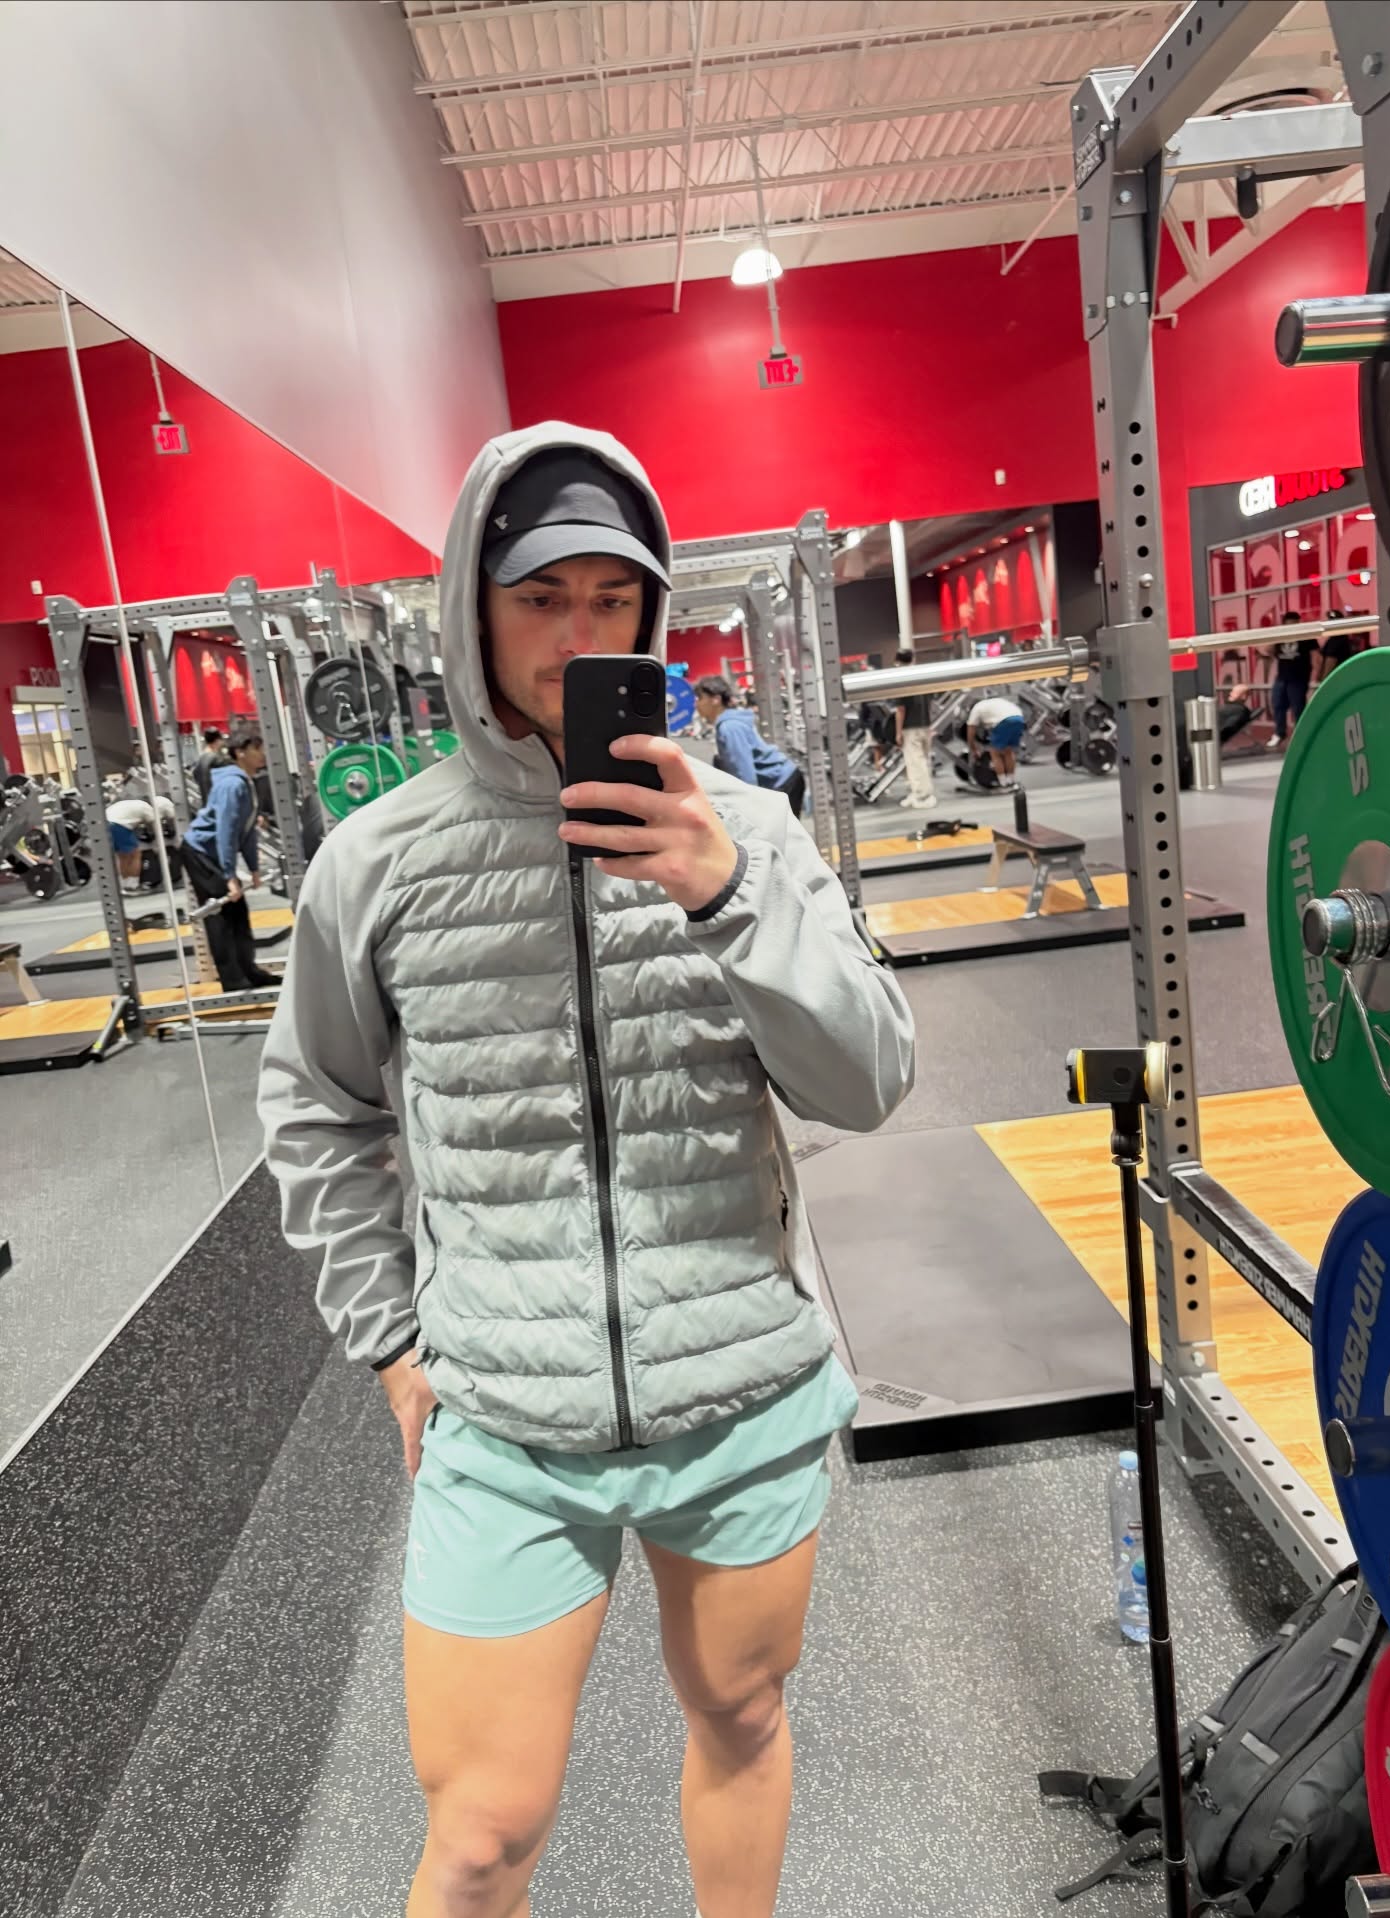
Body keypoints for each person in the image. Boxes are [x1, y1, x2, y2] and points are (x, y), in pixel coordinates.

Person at [257, 426, 915, 1918]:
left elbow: (868, 1079)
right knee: (481, 1836)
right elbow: (315, 1106)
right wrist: (391, 1339)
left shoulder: (749, 831)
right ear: (472, 612)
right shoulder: (379, 861)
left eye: (613, 600)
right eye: (541, 598)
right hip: (505, 1409)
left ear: (653, 614)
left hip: (735, 1380)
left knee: (741, 1715)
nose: (578, 636)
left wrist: (727, 894)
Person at [178, 729, 280, 991]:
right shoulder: (232, 784)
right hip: (201, 852)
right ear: (240, 752)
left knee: (238, 913)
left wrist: (254, 868)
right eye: (256, 749)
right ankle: (233, 980)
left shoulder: (246, 782)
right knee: (220, 916)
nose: (262, 754)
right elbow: (226, 831)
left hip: (214, 853)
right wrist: (229, 875)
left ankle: (249, 970)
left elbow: (245, 831)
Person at [694, 673, 806, 818]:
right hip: (784, 779)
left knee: (780, 831)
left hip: (782, 782)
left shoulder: (730, 727)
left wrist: (749, 810)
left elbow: (744, 773)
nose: (696, 704)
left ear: (715, 699)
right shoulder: (729, 722)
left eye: (700, 698)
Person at [105, 792, 177, 894]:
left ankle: (125, 885)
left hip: (107, 823)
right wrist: (155, 834)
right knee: (135, 855)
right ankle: (133, 886)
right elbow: (153, 826)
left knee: (123, 857)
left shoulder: (136, 803)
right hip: (119, 826)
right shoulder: (147, 809)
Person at [1267, 611, 1318, 749]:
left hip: (1299, 677)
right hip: (1282, 677)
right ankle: (1279, 732)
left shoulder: (1305, 636)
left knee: (1298, 707)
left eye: (1295, 623)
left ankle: (1300, 734)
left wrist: (1316, 675)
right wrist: (1276, 635)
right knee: (1277, 703)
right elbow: (1269, 650)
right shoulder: (1281, 636)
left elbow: (1315, 655)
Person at [892, 650, 936, 810]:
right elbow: (930, 703)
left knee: (915, 763)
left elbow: (900, 709)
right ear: (913, 659)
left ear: (897, 661)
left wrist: (898, 732)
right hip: (925, 725)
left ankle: (922, 796)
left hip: (910, 727)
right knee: (924, 761)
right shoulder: (921, 676)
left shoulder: (900, 679)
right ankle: (920, 792)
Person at [966, 693, 1026, 787]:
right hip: (1018, 718)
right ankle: (1010, 780)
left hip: (1004, 721)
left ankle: (1002, 782)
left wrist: (973, 749)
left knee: (995, 753)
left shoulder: (976, 709)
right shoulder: (993, 702)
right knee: (1008, 752)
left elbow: (970, 732)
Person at [190, 727, 227, 804]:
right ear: (217, 740)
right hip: (218, 801)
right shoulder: (216, 759)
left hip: (206, 801)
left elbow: (195, 776)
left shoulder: (200, 759)